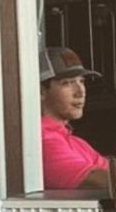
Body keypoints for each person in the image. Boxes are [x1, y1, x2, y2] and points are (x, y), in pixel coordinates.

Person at [39, 46, 109, 190]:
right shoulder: (43, 140)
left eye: (81, 81)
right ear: (41, 91)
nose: (80, 92)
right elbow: (98, 181)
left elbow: (111, 173)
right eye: (67, 83)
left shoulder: (77, 144)